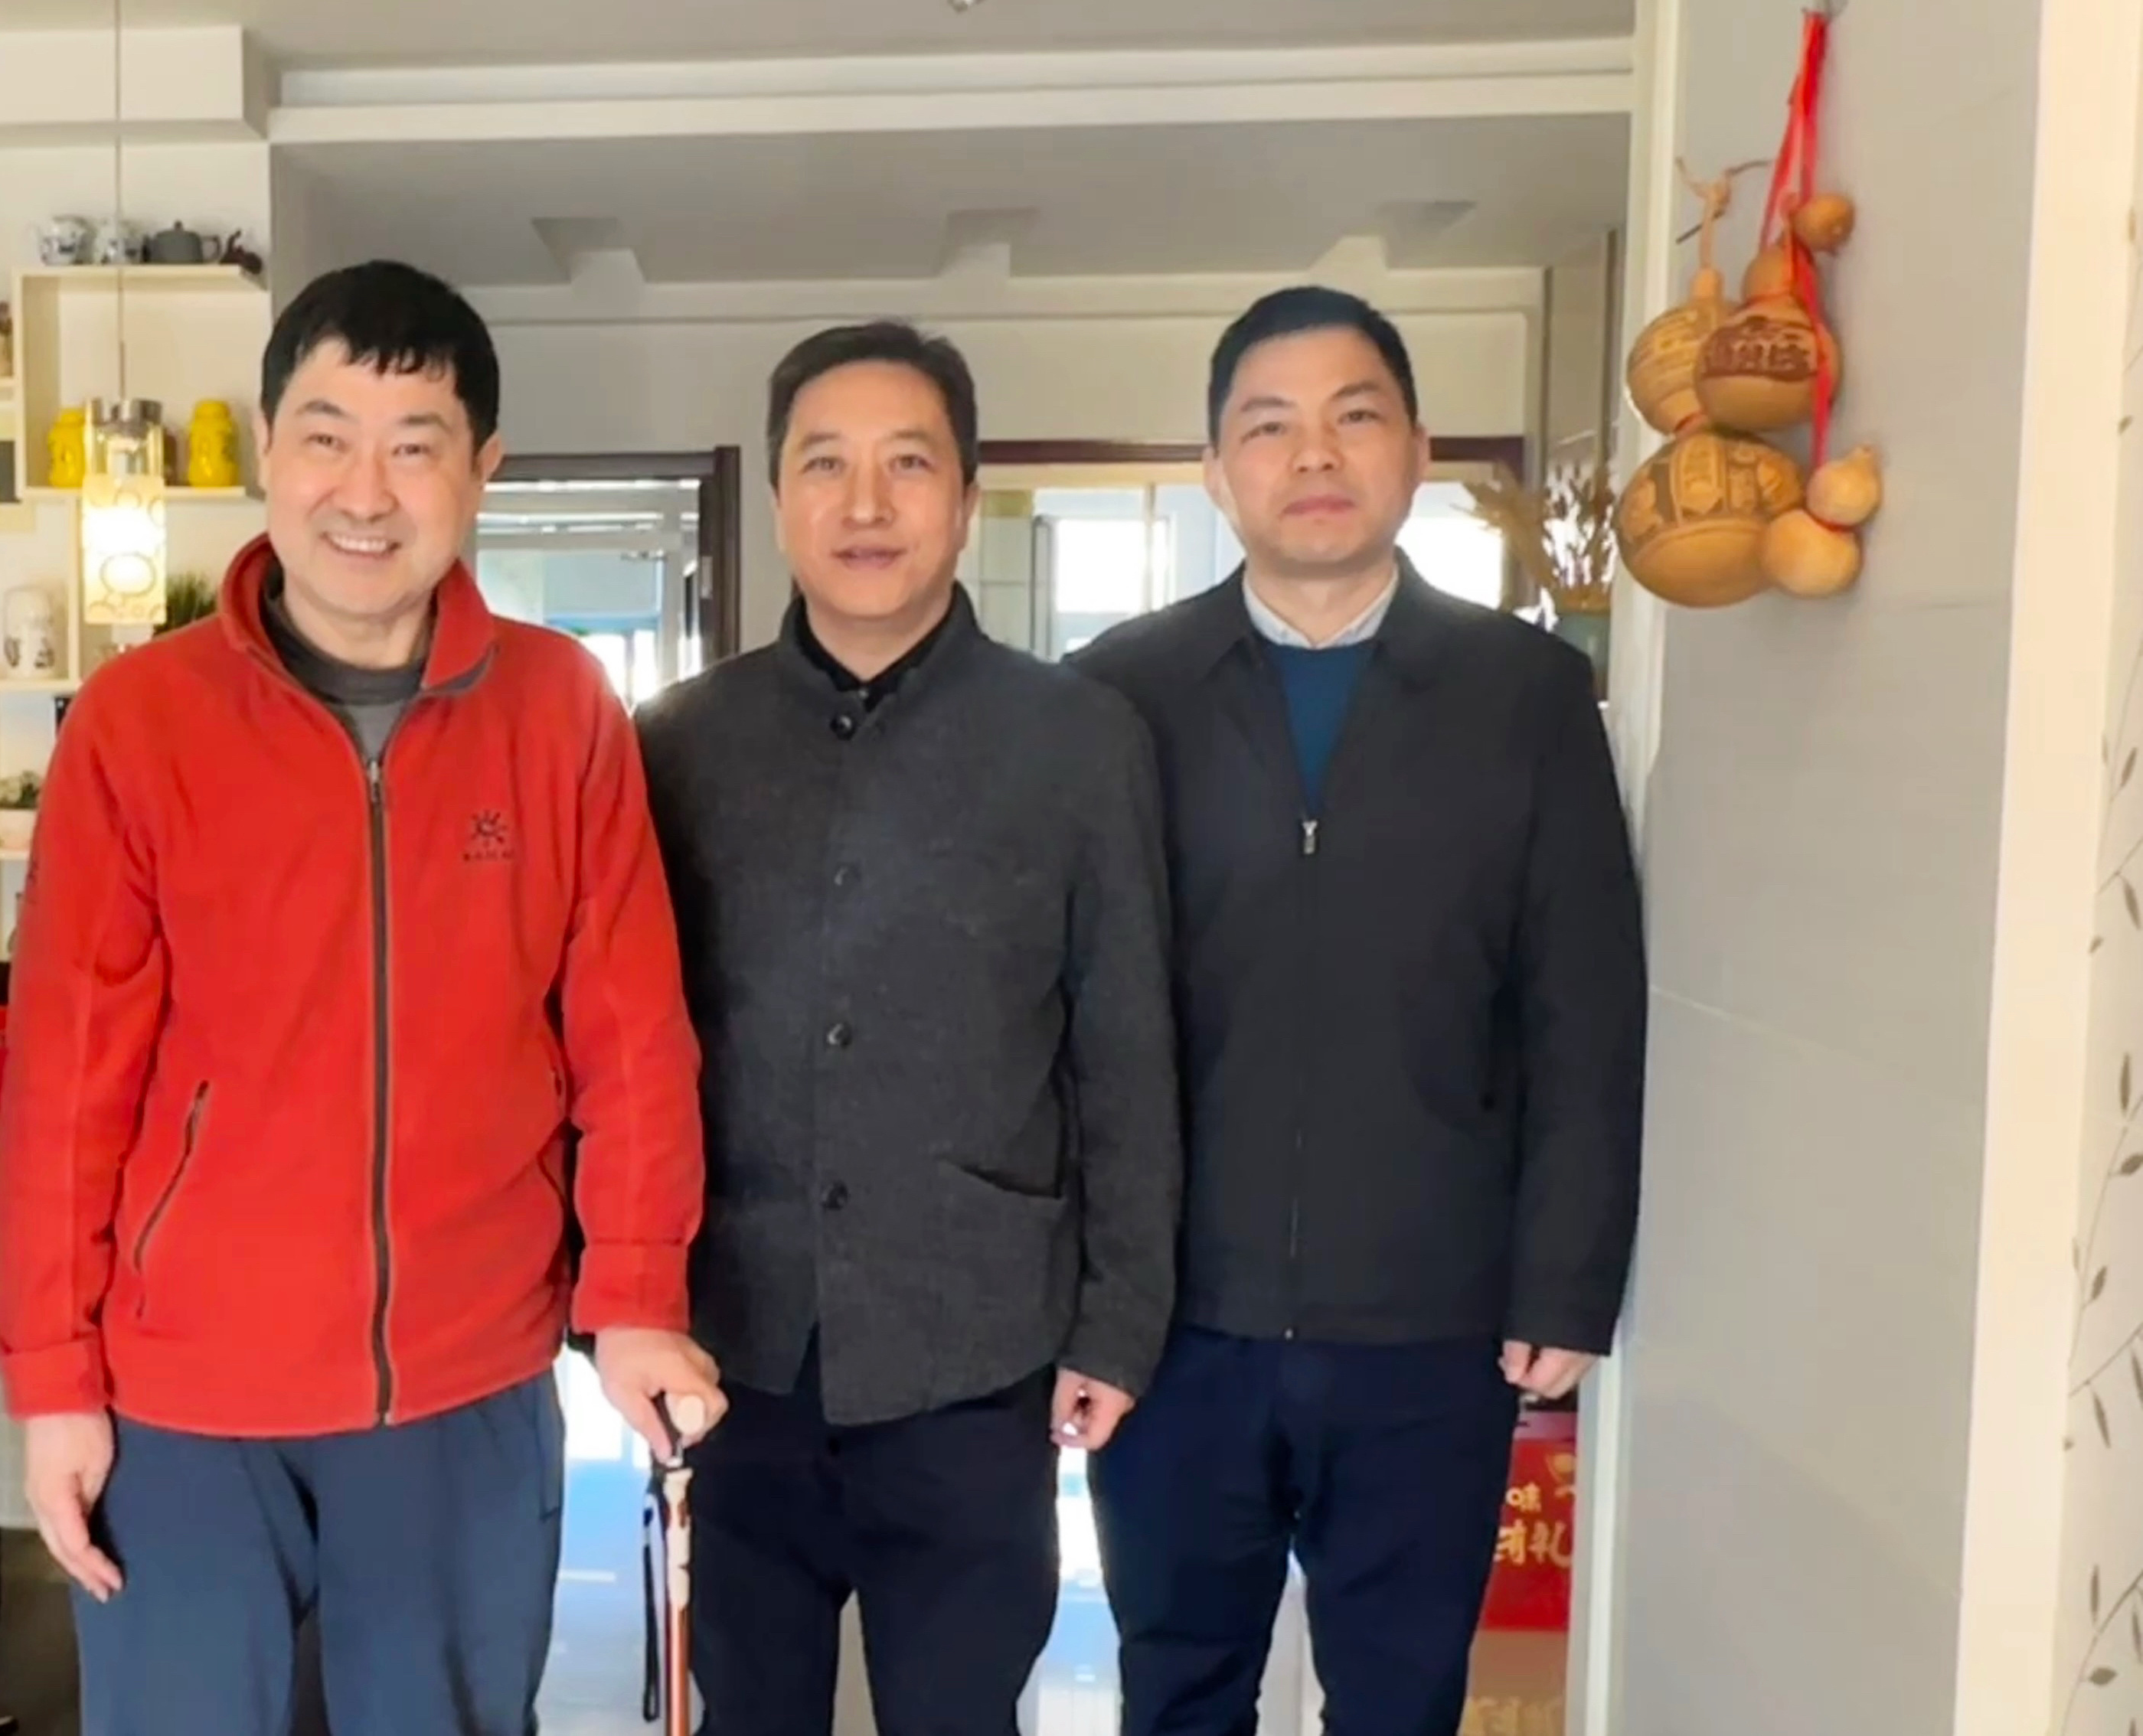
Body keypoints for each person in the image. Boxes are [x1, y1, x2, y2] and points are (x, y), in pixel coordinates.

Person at [0, 257, 725, 1736]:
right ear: (267, 450)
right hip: (187, 1394)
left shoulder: (561, 711)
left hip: (466, 1380)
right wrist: (54, 1378)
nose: (365, 492)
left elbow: (631, 1039)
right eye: (326, 436)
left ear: (482, 470)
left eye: (415, 444)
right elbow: (68, 1078)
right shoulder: (140, 722)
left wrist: (639, 1299)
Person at [1068, 285, 1647, 1736]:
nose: (1314, 454)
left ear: (1417, 450)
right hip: (1174, 1327)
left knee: (1401, 1699)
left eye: (1354, 416)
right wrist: (1076, 1295)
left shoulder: (1526, 693)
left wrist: (1564, 1282)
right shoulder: (1116, 697)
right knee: (1177, 1689)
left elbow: (1585, 1004)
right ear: (1219, 469)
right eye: (1270, 426)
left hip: (1432, 1326)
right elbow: (1063, 1017)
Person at [632, 321, 1183, 1734]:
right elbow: (623, 1047)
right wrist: (618, 1301)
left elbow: (1125, 1048)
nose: (865, 504)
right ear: (778, 496)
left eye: (908, 464)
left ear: (967, 492)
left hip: (975, 1348)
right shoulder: (676, 744)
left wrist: (1118, 1325)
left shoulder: (1077, 741)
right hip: (736, 1348)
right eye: (826, 464)